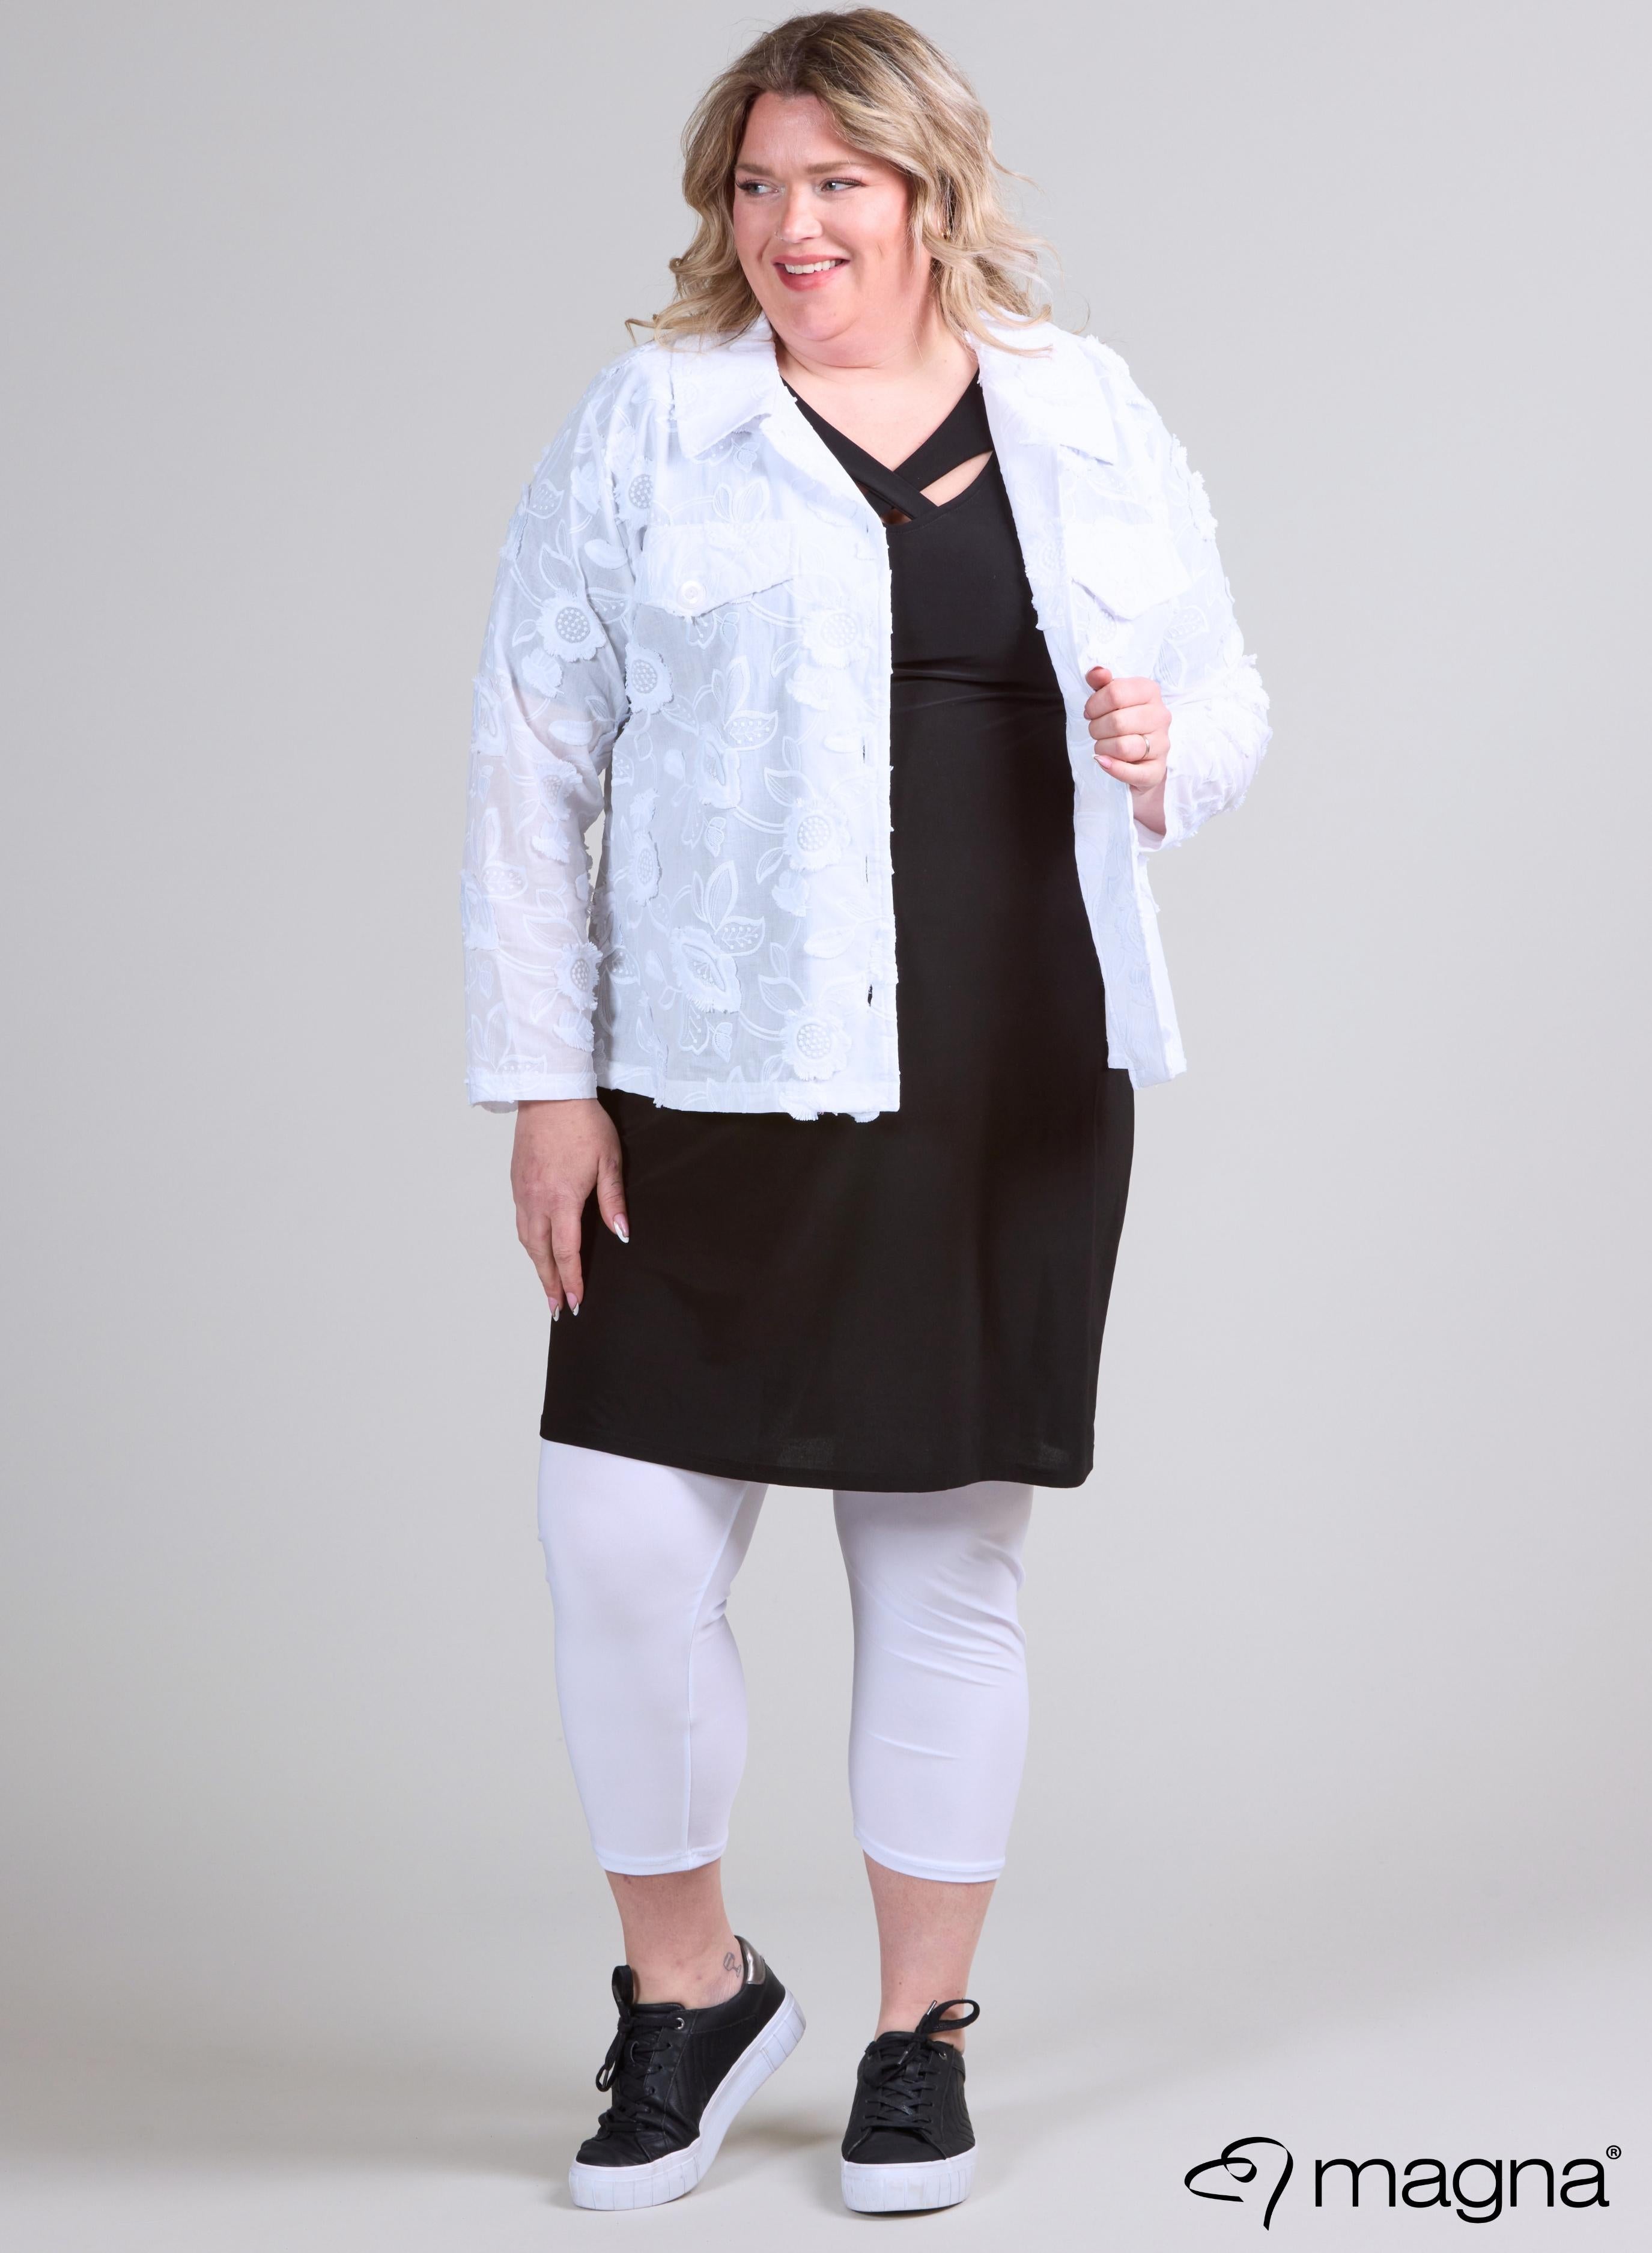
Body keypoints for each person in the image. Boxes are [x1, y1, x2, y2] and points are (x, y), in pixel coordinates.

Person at [461, 7, 1269, 2215]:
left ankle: (922, 2039)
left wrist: (1162, 752)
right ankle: (691, 1996)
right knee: (623, 1541)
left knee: (939, 1558)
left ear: (930, 191)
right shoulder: (658, 419)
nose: (791, 226)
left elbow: (1228, 698)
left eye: (837, 182)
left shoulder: (1082, 410)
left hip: (1009, 1061)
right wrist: (547, 1079)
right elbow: (532, 751)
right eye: (757, 185)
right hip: (713, 1064)